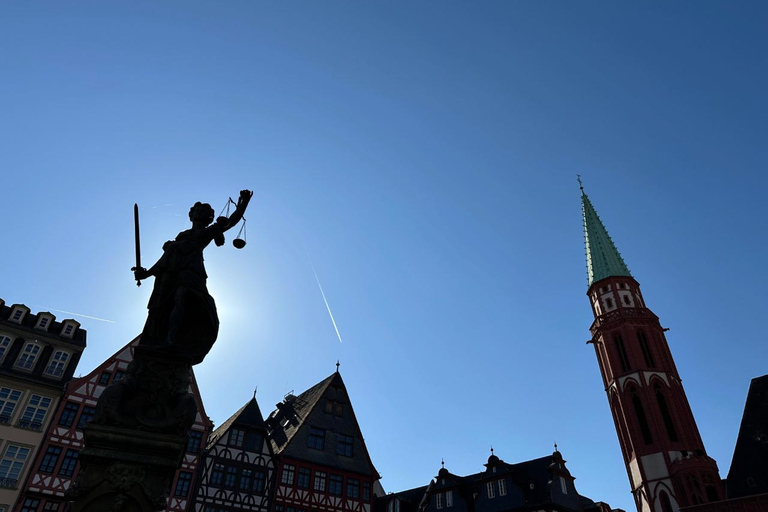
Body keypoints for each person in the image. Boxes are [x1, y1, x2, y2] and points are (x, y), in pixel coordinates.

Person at [133, 189, 252, 364]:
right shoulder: (182, 236)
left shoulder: (211, 230)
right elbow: (167, 260)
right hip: (173, 273)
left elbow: (232, 221)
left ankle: (171, 342)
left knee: (182, 299)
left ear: (210, 217)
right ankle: (158, 338)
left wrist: (244, 203)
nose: (200, 212)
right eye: (197, 210)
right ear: (191, 215)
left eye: (205, 211)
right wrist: (147, 273)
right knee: (163, 306)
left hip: (192, 271)